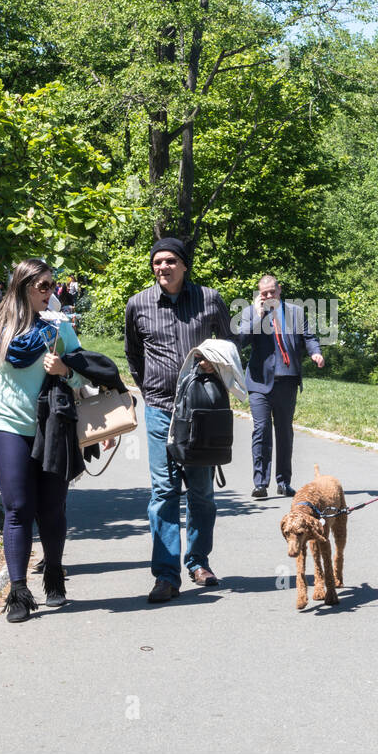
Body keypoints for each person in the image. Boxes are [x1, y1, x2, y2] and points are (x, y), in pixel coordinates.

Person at [0, 259, 87, 622]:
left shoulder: (58, 326)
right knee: (18, 508)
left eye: (52, 286)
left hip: (52, 428)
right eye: (43, 286)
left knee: (52, 507)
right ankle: (19, 592)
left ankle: (54, 574)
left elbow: (85, 378)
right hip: (8, 425)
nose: (50, 293)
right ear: (23, 286)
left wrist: (65, 370)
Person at [125, 237, 233, 604]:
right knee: (163, 492)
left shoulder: (209, 299)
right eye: (157, 262)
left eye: (170, 261)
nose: (163, 268)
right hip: (158, 409)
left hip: (200, 412)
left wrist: (213, 365)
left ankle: (199, 562)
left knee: (201, 492)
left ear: (185, 265)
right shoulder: (138, 304)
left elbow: (232, 343)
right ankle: (166, 576)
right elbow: (133, 355)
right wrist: (151, 390)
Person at [236, 274, 324, 498]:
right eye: (263, 293)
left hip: (287, 381)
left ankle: (284, 482)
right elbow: (242, 340)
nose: (267, 296)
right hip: (259, 383)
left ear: (279, 290)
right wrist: (258, 315)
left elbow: (309, 337)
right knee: (261, 430)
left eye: (271, 292)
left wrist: (315, 353)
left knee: (284, 433)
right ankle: (260, 483)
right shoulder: (250, 312)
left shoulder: (295, 312)